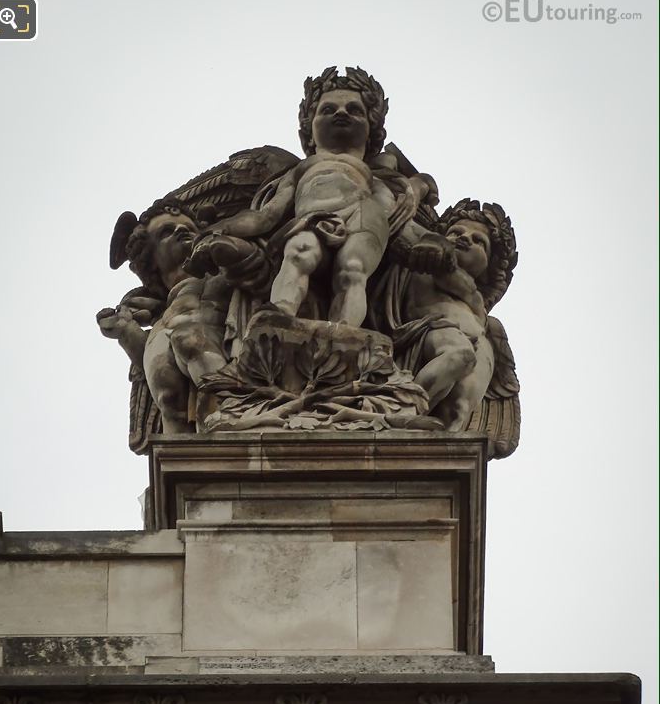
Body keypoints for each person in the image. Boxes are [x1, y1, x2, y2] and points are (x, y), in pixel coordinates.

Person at [185, 67, 453, 328]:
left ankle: (344, 332)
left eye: (354, 110)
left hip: (363, 216)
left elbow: (401, 208)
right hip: (314, 218)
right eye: (328, 109)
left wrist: (419, 194)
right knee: (299, 251)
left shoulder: (382, 171)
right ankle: (280, 315)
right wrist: (219, 229)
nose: (341, 113)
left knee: (352, 269)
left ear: (372, 129)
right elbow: (266, 216)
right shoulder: (298, 170)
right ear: (309, 127)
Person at [376, 199, 518, 430]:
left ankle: (449, 434)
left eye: (478, 241)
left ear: (489, 265)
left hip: (473, 344)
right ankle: (406, 407)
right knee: (460, 355)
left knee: (458, 410)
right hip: (434, 331)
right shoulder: (429, 263)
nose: (464, 238)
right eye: (455, 232)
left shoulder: (484, 312)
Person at [97, 200, 232, 435]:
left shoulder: (219, 277)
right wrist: (126, 331)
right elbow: (146, 362)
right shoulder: (159, 311)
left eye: (189, 228)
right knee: (166, 393)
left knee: (189, 341)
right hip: (168, 331)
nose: (181, 231)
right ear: (149, 257)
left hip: (210, 347)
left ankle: (229, 408)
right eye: (166, 232)